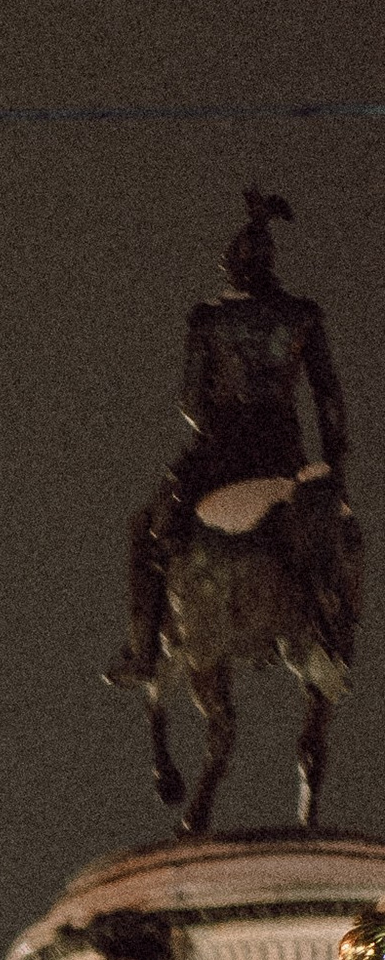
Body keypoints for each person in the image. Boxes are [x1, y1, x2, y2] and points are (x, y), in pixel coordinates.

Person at [109, 189, 350, 688]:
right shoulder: (302, 315)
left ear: (233, 271)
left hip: (219, 457)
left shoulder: (209, 318)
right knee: (330, 541)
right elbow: (328, 399)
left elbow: (191, 405)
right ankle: (332, 637)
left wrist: (216, 425)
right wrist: (333, 469)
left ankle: (144, 649)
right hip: (285, 454)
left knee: (148, 531)